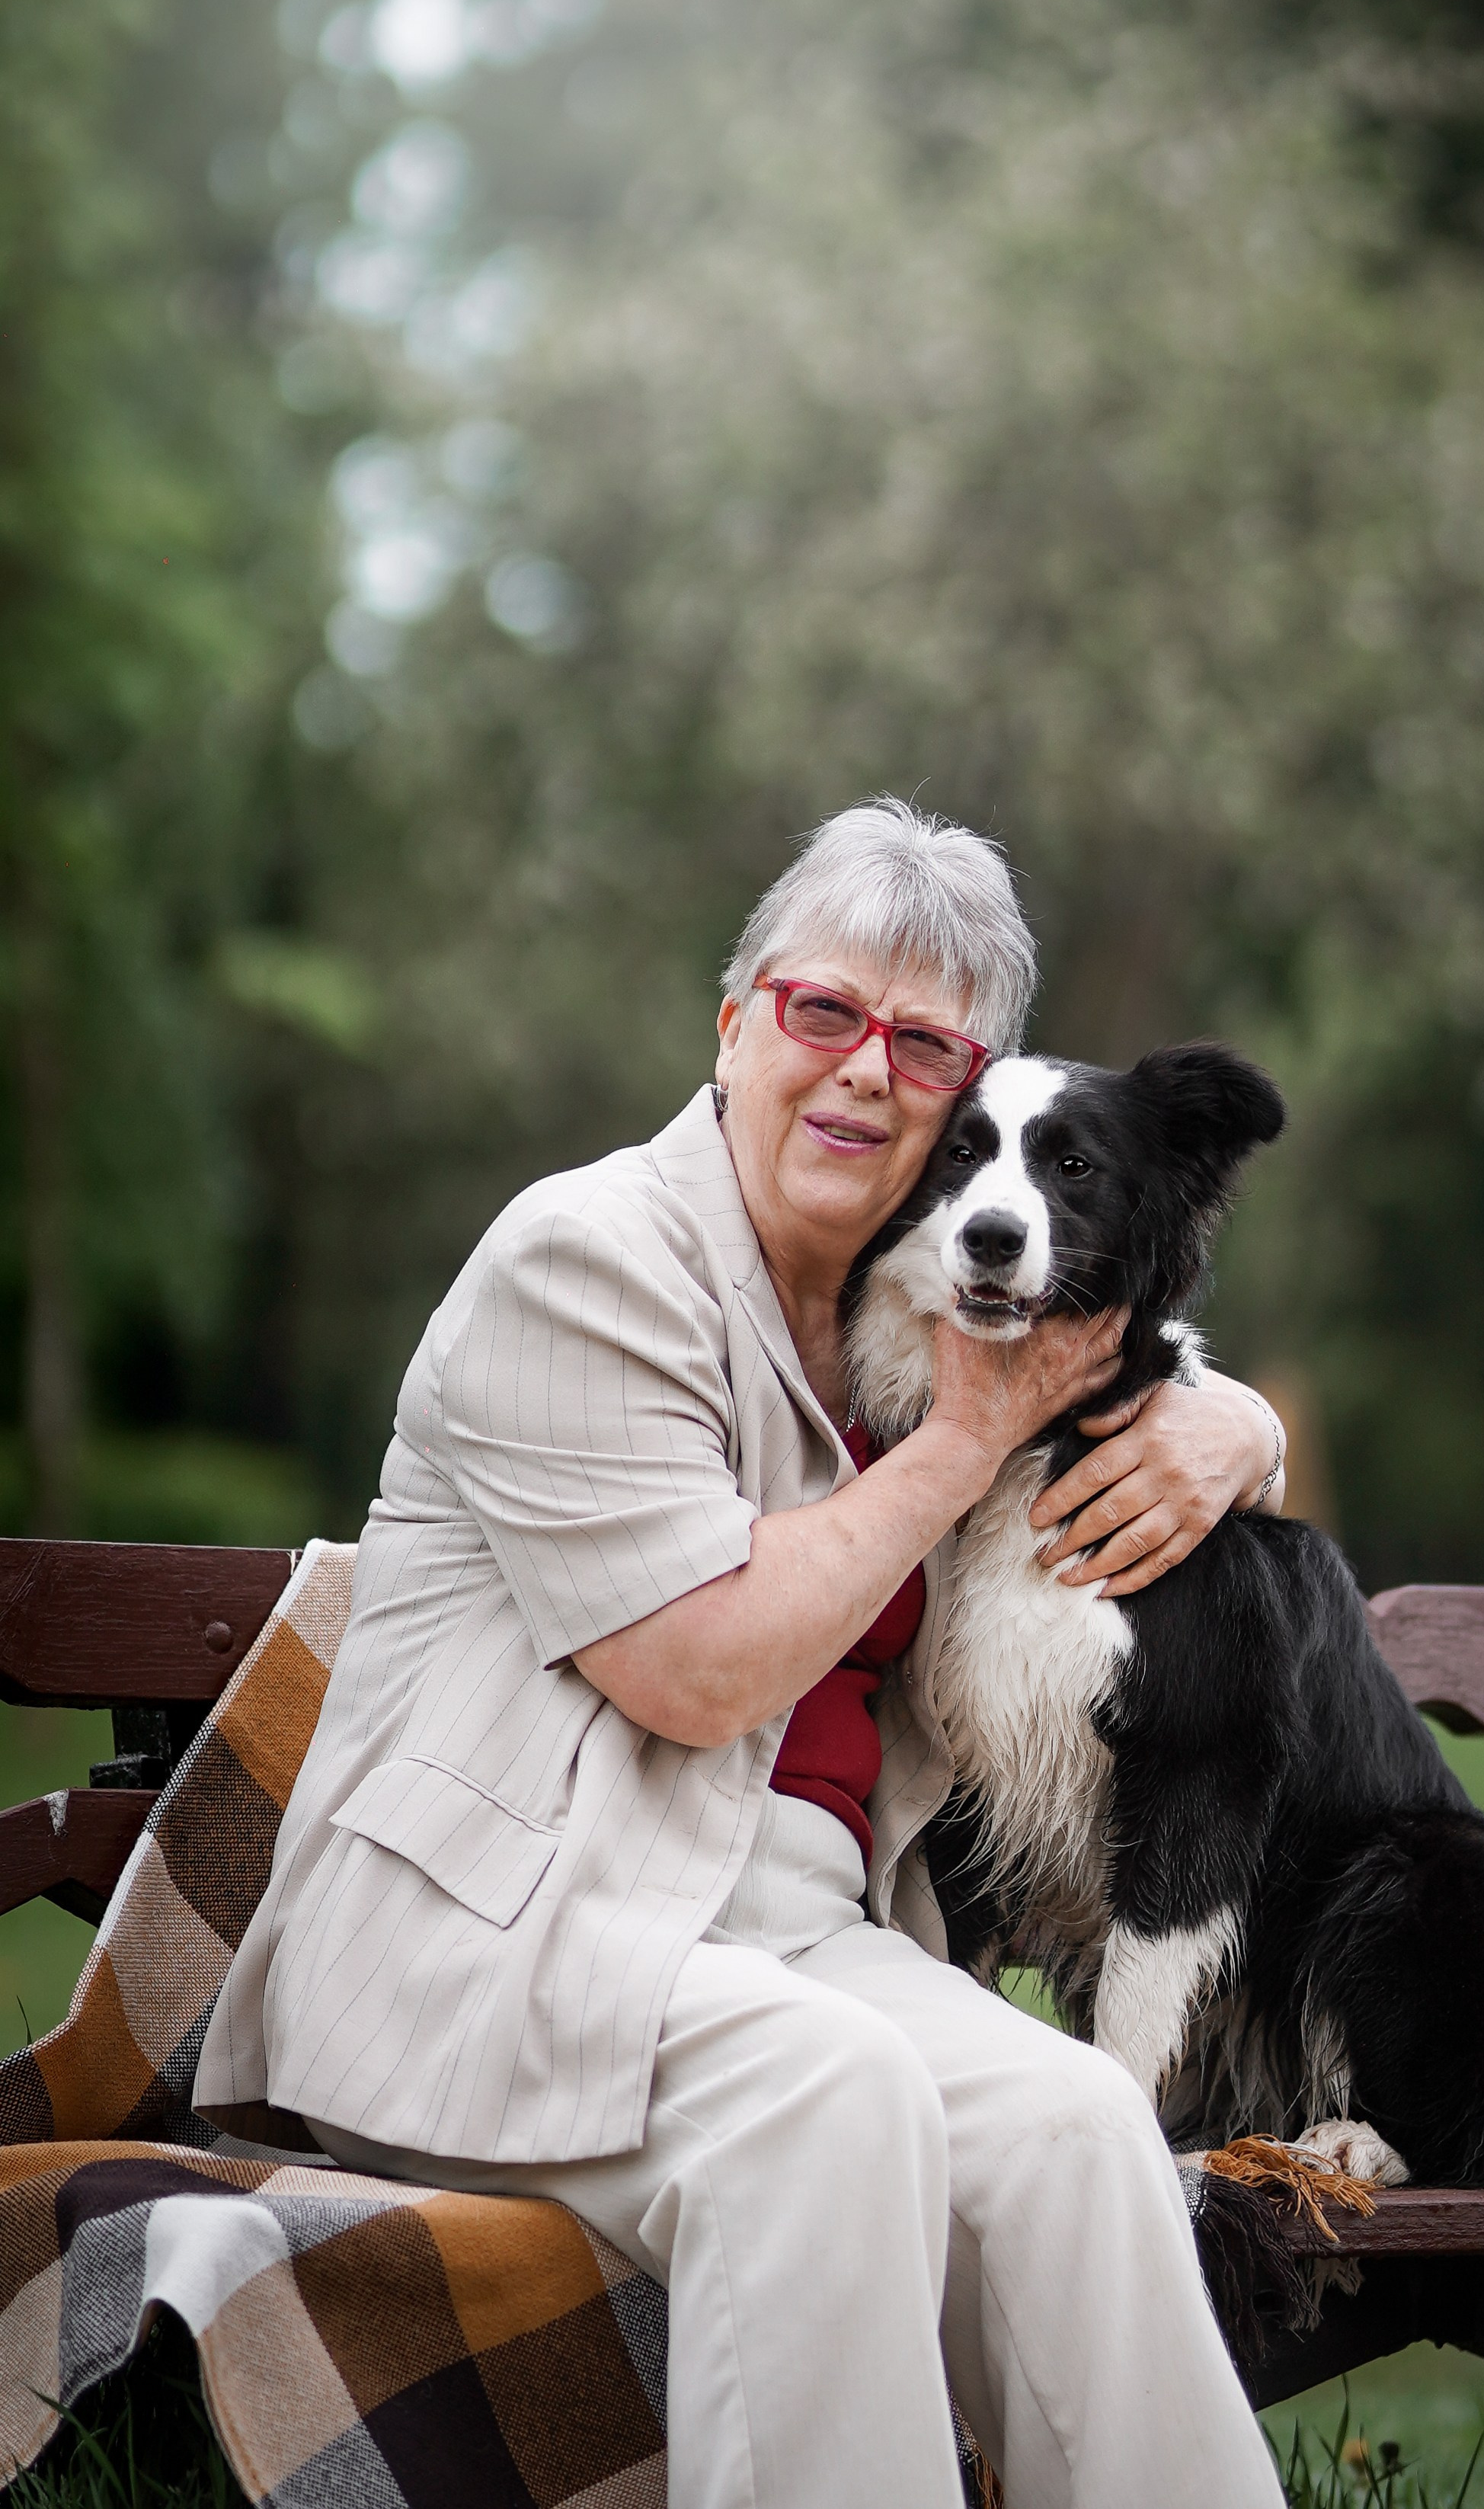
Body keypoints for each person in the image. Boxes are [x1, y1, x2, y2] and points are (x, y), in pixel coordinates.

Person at [196, 801, 1289, 2509]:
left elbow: (1142, 1321)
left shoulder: (899, 1301)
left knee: (1082, 2131)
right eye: (822, 1013)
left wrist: (1235, 1420)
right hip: (505, 1934)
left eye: (921, 1045)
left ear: (968, 1095)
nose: (864, 1072)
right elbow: (701, 1668)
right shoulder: (590, 1257)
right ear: (735, 1024)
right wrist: (960, 1444)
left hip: (779, 1928)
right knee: (835, 2094)